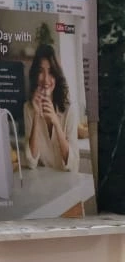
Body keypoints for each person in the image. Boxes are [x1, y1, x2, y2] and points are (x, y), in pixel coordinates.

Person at [23, 42, 77, 172]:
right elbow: (31, 162)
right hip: (44, 182)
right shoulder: (28, 109)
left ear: (57, 76)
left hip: (67, 181)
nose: (46, 80)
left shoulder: (69, 110)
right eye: (41, 71)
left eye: (51, 72)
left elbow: (73, 164)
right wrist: (36, 115)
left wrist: (56, 122)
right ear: (35, 75)